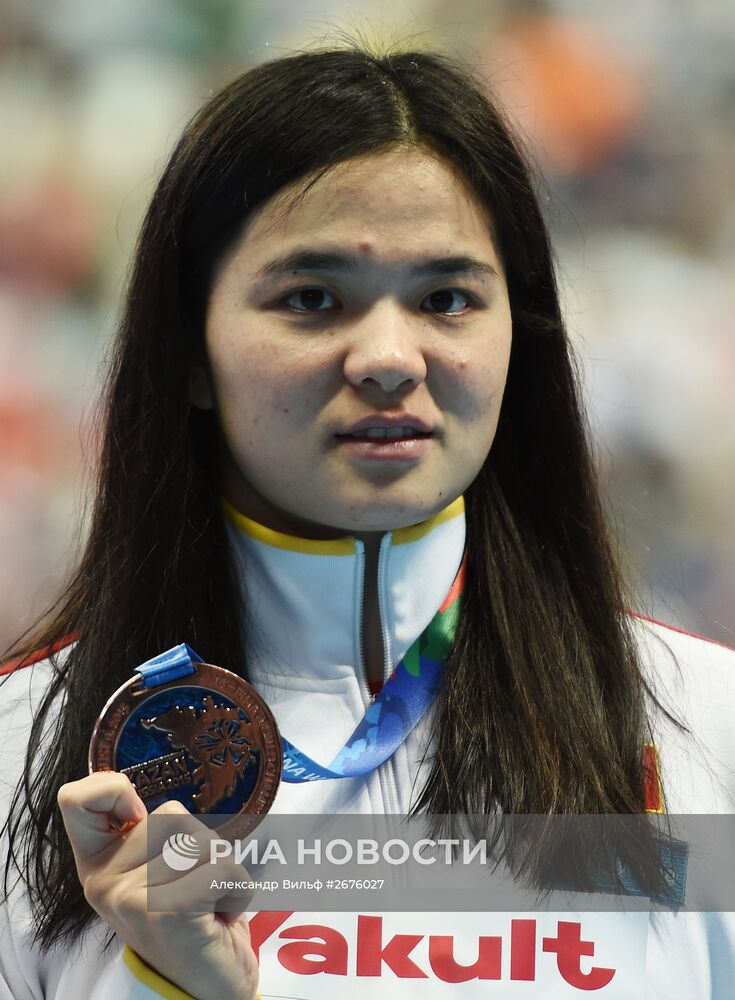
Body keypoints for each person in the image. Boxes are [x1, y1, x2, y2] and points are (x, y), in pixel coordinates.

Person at [1, 44, 734, 1000]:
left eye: (446, 299)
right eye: (312, 299)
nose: (389, 357)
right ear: (188, 350)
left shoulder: (708, 727)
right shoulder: (21, 757)